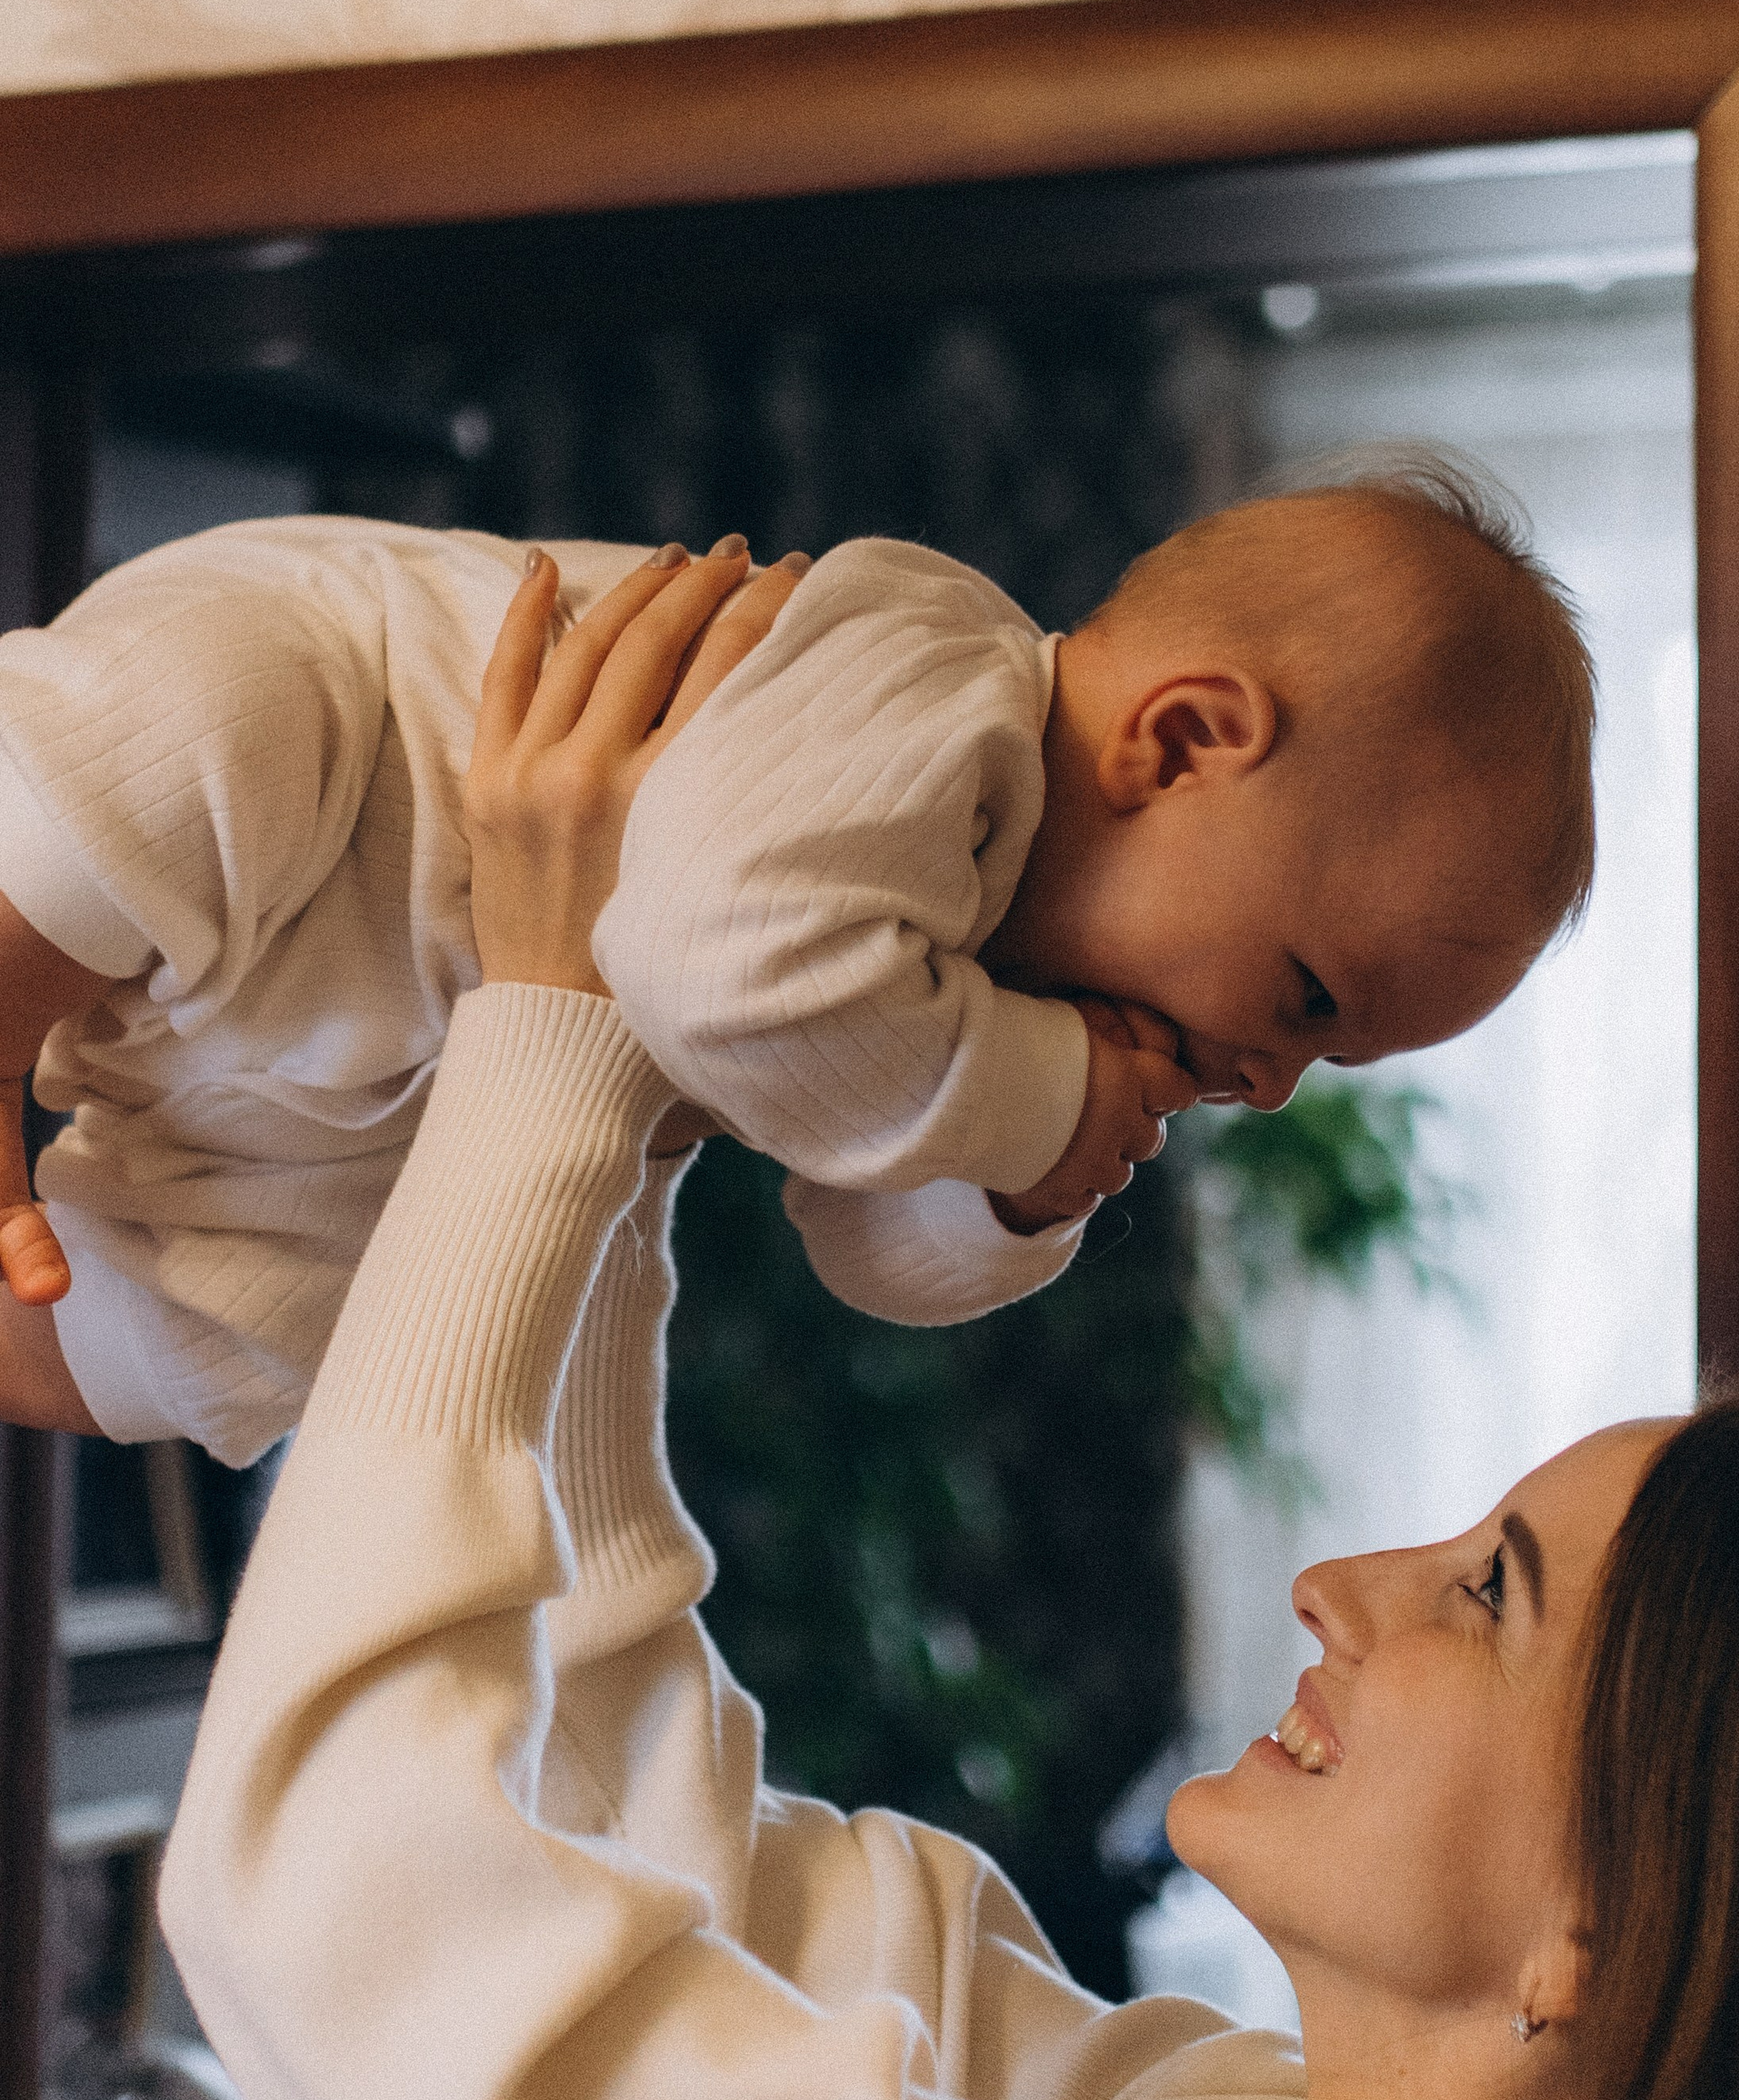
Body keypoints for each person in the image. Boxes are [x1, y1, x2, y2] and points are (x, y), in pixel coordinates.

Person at [160, 550, 1739, 2100]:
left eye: (1488, 1597)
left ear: (1607, 1930)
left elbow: (349, 1900)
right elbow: (701, 1887)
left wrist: (554, 1047)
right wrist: (615, 1077)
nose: (1344, 1582)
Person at [0, 456, 1588, 1463]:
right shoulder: (938, 679)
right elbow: (726, 966)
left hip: (362, 1061)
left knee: (241, 1329)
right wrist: (1033, 1098)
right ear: (1180, 743)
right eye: (1310, 997)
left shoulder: (992, 986)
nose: (1266, 1077)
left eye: (1323, 1064)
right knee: (188, 746)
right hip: (342, 795)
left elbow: (866, 1245)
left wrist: (1014, 1192)